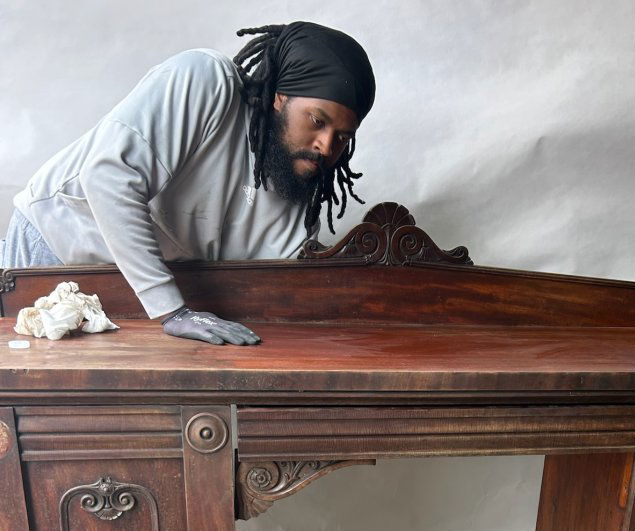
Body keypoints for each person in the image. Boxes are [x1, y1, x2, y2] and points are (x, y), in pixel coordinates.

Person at [1, 22, 375, 345]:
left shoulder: (298, 192)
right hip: (58, 247)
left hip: (146, 291)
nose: (326, 147)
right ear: (280, 98)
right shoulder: (206, 80)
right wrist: (172, 311)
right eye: (317, 120)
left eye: (343, 136)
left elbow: (271, 280)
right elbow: (109, 178)